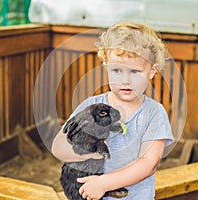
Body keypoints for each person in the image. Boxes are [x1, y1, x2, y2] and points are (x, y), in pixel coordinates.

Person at [51, 22, 174, 200]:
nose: (125, 80)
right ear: (106, 66)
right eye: (117, 70)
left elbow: (149, 163)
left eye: (134, 72)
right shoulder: (91, 106)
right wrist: (91, 150)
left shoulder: (154, 113)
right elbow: (58, 146)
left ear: (151, 71)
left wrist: (104, 183)